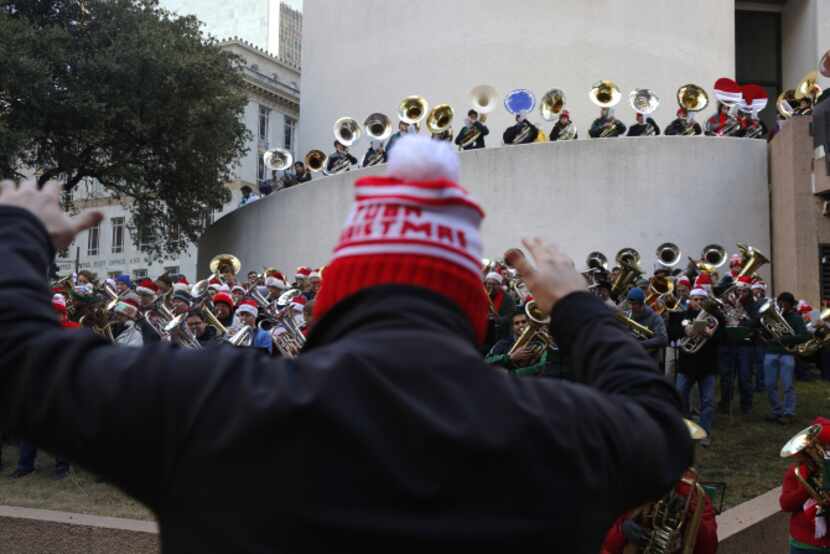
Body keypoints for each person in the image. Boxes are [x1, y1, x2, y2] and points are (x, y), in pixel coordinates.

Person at [0, 139, 691, 552]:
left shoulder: (214, 402)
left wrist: (20, 234)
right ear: (474, 312)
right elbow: (662, 424)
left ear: (337, 291)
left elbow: (16, 358)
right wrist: (575, 304)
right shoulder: (562, 432)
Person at [9, 293, 77, 480]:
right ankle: (25, 465)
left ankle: (62, 468)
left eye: (57, 314)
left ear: (63, 314)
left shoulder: (73, 331)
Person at [669, 289, 724, 446]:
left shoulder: (716, 317)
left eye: (701, 300)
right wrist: (684, 330)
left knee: (707, 401)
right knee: (680, 396)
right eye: (695, 299)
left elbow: (723, 338)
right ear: (690, 300)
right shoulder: (681, 315)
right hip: (686, 365)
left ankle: (704, 432)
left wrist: (710, 335)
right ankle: (686, 429)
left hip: (708, 365)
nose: (698, 302)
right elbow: (671, 332)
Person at [779, 416, 830, 553]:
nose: (826, 453)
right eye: (824, 447)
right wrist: (805, 489)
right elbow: (785, 504)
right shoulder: (797, 471)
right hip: (804, 543)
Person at [717, 275, 760, 416]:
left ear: (748, 292)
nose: (741, 293)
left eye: (744, 291)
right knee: (726, 376)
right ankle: (725, 403)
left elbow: (756, 322)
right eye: (739, 290)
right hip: (727, 344)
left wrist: (743, 319)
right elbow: (720, 320)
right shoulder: (727, 301)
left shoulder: (752, 305)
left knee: (744, 376)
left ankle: (746, 405)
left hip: (745, 345)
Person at [764, 292, 809, 424]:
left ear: (790, 304)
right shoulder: (772, 317)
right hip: (771, 351)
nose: (781, 305)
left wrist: (786, 338)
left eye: (784, 303)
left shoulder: (796, 318)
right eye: (779, 302)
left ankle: (789, 412)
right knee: (770, 384)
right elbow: (765, 332)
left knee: (788, 384)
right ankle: (776, 411)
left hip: (787, 353)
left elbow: (804, 336)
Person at [485, 310, 560, 377]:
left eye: (524, 322)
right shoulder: (503, 343)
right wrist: (510, 357)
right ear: (512, 327)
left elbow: (541, 366)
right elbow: (486, 362)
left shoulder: (540, 342)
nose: (521, 325)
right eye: (516, 323)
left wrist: (512, 374)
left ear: (529, 323)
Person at [626, 287, 668, 365]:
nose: (631, 307)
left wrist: (640, 344)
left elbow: (663, 339)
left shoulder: (655, 318)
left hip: (649, 362)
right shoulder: (628, 314)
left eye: (634, 304)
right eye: (630, 304)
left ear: (641, 303)